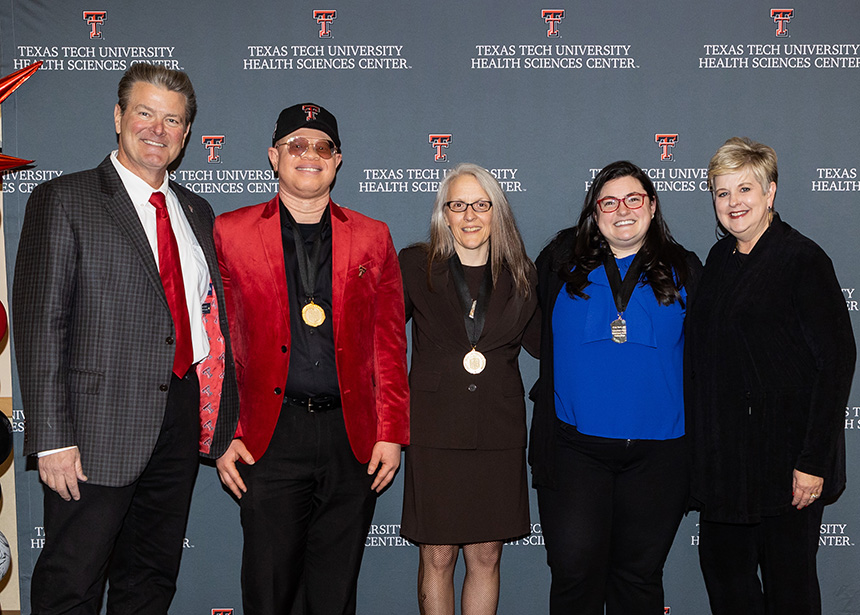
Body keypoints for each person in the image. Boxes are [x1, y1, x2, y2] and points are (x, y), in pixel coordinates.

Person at [12, 63, 239, 614]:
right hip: (92, 431)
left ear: (186, 134)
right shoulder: (64, 200)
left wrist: (220, 417)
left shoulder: (197, 212)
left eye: (173, 120)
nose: (157, 130)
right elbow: (40, 325)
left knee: (151, 578)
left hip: (179, 419)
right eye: (145, 113)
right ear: (118, 117)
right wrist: (52, 437)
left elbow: (210, 321)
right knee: (74, 579)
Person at [213, 102, 410, 615]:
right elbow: (219, 341)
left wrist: (390, 431)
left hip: (351, 437)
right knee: (269, 589)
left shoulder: (373, 236)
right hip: (266, 436)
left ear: (337, 160)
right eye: (296, 145)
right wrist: (221, 430)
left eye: (322, 147)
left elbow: (388, 343)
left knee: (334, 591)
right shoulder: (230, 233)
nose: (310, 155)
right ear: (274, 157)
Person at [686, 137, 855, 615]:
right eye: (722, 192)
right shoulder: (718, 261)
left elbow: (837, 362)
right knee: (727, 588)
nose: (734, 203)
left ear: (771, 192)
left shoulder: (803, 259)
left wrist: (813, 462)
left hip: (787, 469)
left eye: (745, 189)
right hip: (725, 469)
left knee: (790, 591)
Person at [529, 160, 701, 614]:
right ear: (594, 211)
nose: (621, 210)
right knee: (573, 574)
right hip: (574, 451)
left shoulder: (685, 268)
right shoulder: (560, 261)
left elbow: (712, 355)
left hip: (659, 456)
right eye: (608, 201)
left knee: (638, 581)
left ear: (652, 205)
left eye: (633, 199)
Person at [398, 163, 538, 615]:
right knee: (437, 555)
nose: (470, 215)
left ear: (498, 212)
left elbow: (546, 345)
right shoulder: (415, 264)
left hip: (497, 431)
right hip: (434, 430)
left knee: (486, 554)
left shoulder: (523, 273)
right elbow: (377, 337)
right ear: (444, 213)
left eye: (482, 204)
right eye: (458, 205)